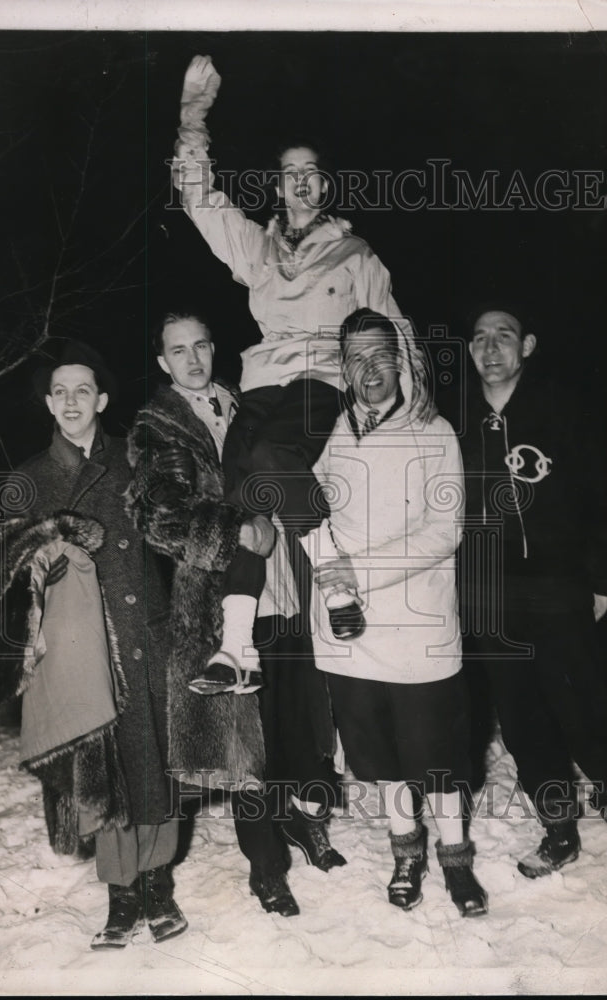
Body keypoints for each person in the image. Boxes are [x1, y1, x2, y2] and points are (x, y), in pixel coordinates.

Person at [171, 54, 432, 681]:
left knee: (269, 461)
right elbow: (200, 199)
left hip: (322, 379)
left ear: (325, 186)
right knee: (242, 500)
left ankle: (332, 570)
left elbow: (394, 327)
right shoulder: (258, 249)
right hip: (263, 382)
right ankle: (238, 647)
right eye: (290, 174)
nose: (301, 183)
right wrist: (192, 117)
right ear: (279, 187)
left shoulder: (354, 252)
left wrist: (417, 401)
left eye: (312, 173)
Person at [0, 340, 186, 950]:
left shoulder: (137, 465)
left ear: (101, 399)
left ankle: (158, 883)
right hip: (78, 652)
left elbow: (176, 539)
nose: (72, 400)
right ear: (50, 406)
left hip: (144, 635)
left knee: (152, 762)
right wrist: (44, 556)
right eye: (60, 392)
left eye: (84, 389)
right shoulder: (26, 480)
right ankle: (121, 894)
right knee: (101, 771)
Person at [125, 311, 347, 918]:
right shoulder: (155, 426)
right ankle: (266, 868)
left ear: (214, 348)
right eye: (178, 350)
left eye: (200, 345)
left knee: (297, 722)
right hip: (219, 599)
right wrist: (236, 528)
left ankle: (303, 823)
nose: (192, 358)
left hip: (285, 584)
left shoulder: (246, 401)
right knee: (244, 743)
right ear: (163, 361)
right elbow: (158, 518)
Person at [301, 308, 488, 917]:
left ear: (401, 360)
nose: (369, 369)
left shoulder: (435, 433)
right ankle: (407, 855)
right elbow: (308, 512)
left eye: (380, 355)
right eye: (355, 358)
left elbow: (446, 531)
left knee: (434, 758)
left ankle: (455, 861)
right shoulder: (332, 433)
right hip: (351, 638)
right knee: (380, 759)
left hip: (418, 631)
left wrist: (362, 570)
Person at [459, 303, 607, 877]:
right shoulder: (457, 419)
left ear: (527, 347)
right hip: (490, 596)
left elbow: (602, 495)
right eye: (480, 338)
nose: (490, 347)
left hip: (557, 587)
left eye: (504, 336)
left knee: (584, 707)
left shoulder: (562, 409)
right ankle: (559, 829)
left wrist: (601, 580)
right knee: (523, 720)